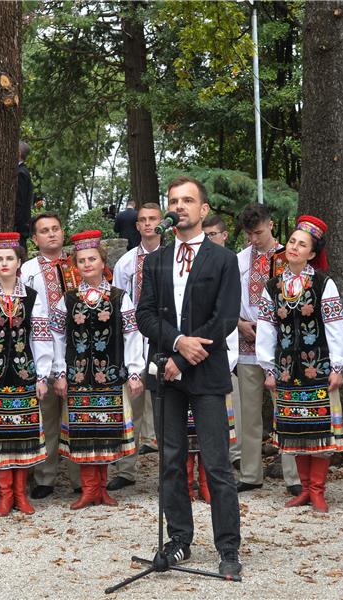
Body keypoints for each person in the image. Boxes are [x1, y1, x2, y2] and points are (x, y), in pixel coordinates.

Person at [135, 176, 242, 578]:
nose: (178, 207)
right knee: (170, 461)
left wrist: (190, 355)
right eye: (173, 200)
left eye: (187, 201)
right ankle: (179, 540)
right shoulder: (157, 258)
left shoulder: (223, 259)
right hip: (166, 372)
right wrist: (177, 343)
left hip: (208, 373)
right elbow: (145, 314)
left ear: (203, 209)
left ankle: (228, 548)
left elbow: (226, 316)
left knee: (216, 464)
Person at [256, 215, 343, 513]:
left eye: (302, 244)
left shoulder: (324, 283)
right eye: (292, 242)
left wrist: (338, 366)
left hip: (319, 368)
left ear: (312, 253)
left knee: (319, 430)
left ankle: (318, 490)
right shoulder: (272, 287)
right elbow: (266, 328)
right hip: (286, 369)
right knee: (296, 430)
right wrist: (269, 369)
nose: (294, 248)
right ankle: (304, 490)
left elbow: (335, 326)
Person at [51, 230, 144, 509]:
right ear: (75, 266)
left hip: (110, 377)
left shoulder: (119, 297)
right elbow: (56, 337)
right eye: (82, 261)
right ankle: (89, 489)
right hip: (78, 377)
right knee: (83, 433)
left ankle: (102, 488)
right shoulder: (67, 300)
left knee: (105, 433)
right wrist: (59, 372)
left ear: (103, 262)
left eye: (92, 259)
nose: (87, 264)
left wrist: (135, 371)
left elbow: (132, 335)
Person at [0, 232, 53, 516]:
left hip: (23, 375)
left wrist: (42, 376)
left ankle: (20, 495)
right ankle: (4, 496)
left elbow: (40, 338)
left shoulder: (33, 298)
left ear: (19, 262)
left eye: (10, 258)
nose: (4, 263)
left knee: (22, 437)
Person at [235, 203, 301, 496]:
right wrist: (239, 323)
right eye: (249, 234)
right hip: (247, 343)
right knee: (248, 412)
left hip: (281, 345)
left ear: (271, 225)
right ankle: (251, 473)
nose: (253, 239)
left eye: (258, 232)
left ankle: (294, 476)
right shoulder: (239, 260)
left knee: (285, 411)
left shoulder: (290, 257)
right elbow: (228, 299)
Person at [20, 212, 82, 499]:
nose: (52, 234)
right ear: (35, 238)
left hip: (79, 349)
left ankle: (80, 476)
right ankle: (44, 476)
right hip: (42, 348)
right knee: (47, 417)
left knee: (78, 416)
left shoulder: (78, 263)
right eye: (44, 231)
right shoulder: (27, 270)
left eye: (56, 228)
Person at [108, 203, 162, 493]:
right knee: (132, 405)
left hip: (164, 337)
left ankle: (172, 469)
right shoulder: (126, 262)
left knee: (168, 406)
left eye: (154, 219)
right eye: (143, 220)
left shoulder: (172, 257)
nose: (148, 224)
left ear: (162, 222)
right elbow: (117, 303)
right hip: (134, 338)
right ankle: (126, 469)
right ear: (137, 226)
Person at [201, 214, 241, 477]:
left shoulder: (232, 261)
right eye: (205, 236)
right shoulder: (198, 264)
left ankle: (235, 459)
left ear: (225, 235)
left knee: (233, 411)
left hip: (232, 348)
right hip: (203, 350)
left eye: (213, 234)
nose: (209, 240)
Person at [15, 141, 34, 239]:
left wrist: (15, 223)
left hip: (19, 226)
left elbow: (20, 201)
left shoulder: (21, 173)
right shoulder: (23, 171)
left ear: (18, 153)